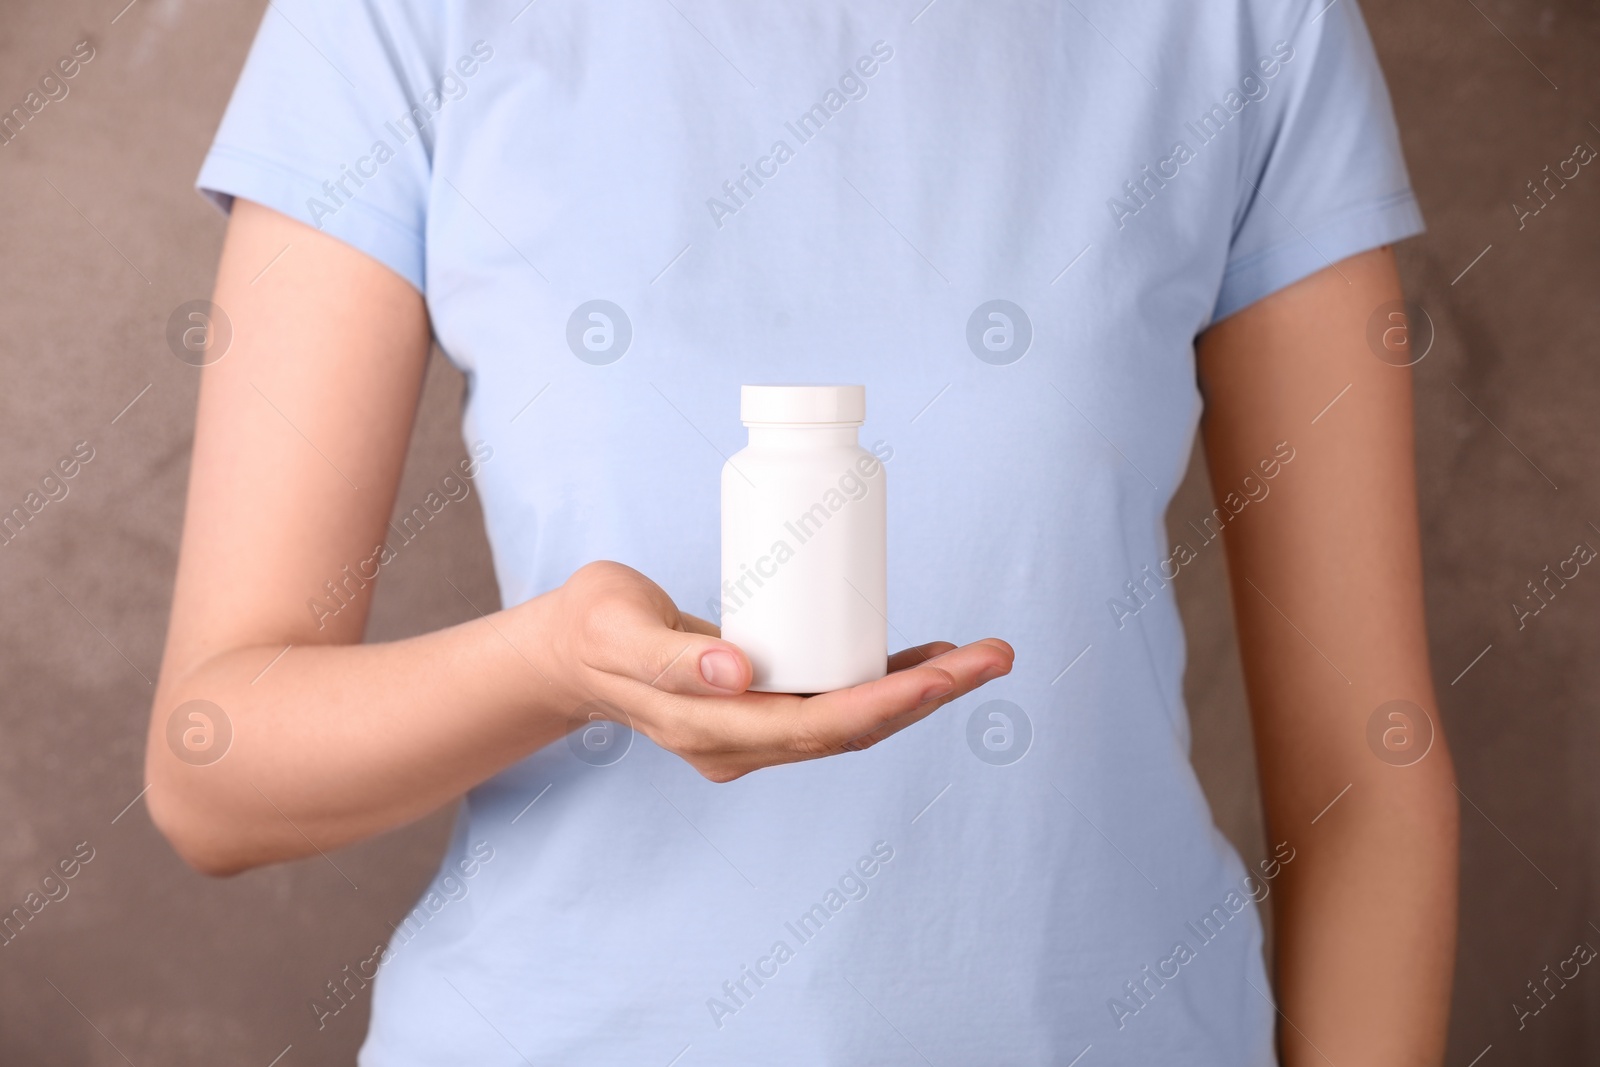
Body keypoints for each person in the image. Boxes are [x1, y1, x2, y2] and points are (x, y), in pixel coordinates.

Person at [145, 0, 1459, 1063]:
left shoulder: (1242, 25)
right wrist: (553, 669)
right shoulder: (393, 19)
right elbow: (214, 774)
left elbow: (1367, 771)